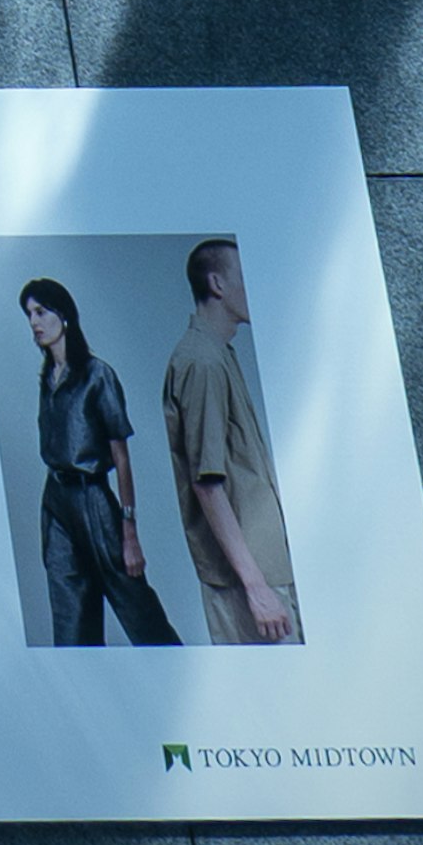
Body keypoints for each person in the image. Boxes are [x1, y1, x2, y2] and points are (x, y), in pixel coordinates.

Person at [17, 276, 181, 646]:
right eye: (29, 314)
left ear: (64, 316)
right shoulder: (47, 380)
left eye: (41, 312)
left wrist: (130, 534)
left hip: (93, 500)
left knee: (140, 614)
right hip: (55, 501)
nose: (34, 322)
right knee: (71, 621)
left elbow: (121, 459)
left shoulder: (98, 376)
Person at [161, 237, 299, 645]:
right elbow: (207, 483)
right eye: (248, 278)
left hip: (264, 569)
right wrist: (257, 588)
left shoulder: (216, 353)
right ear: (218, 284)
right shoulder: (201, 361)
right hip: (250, 580)